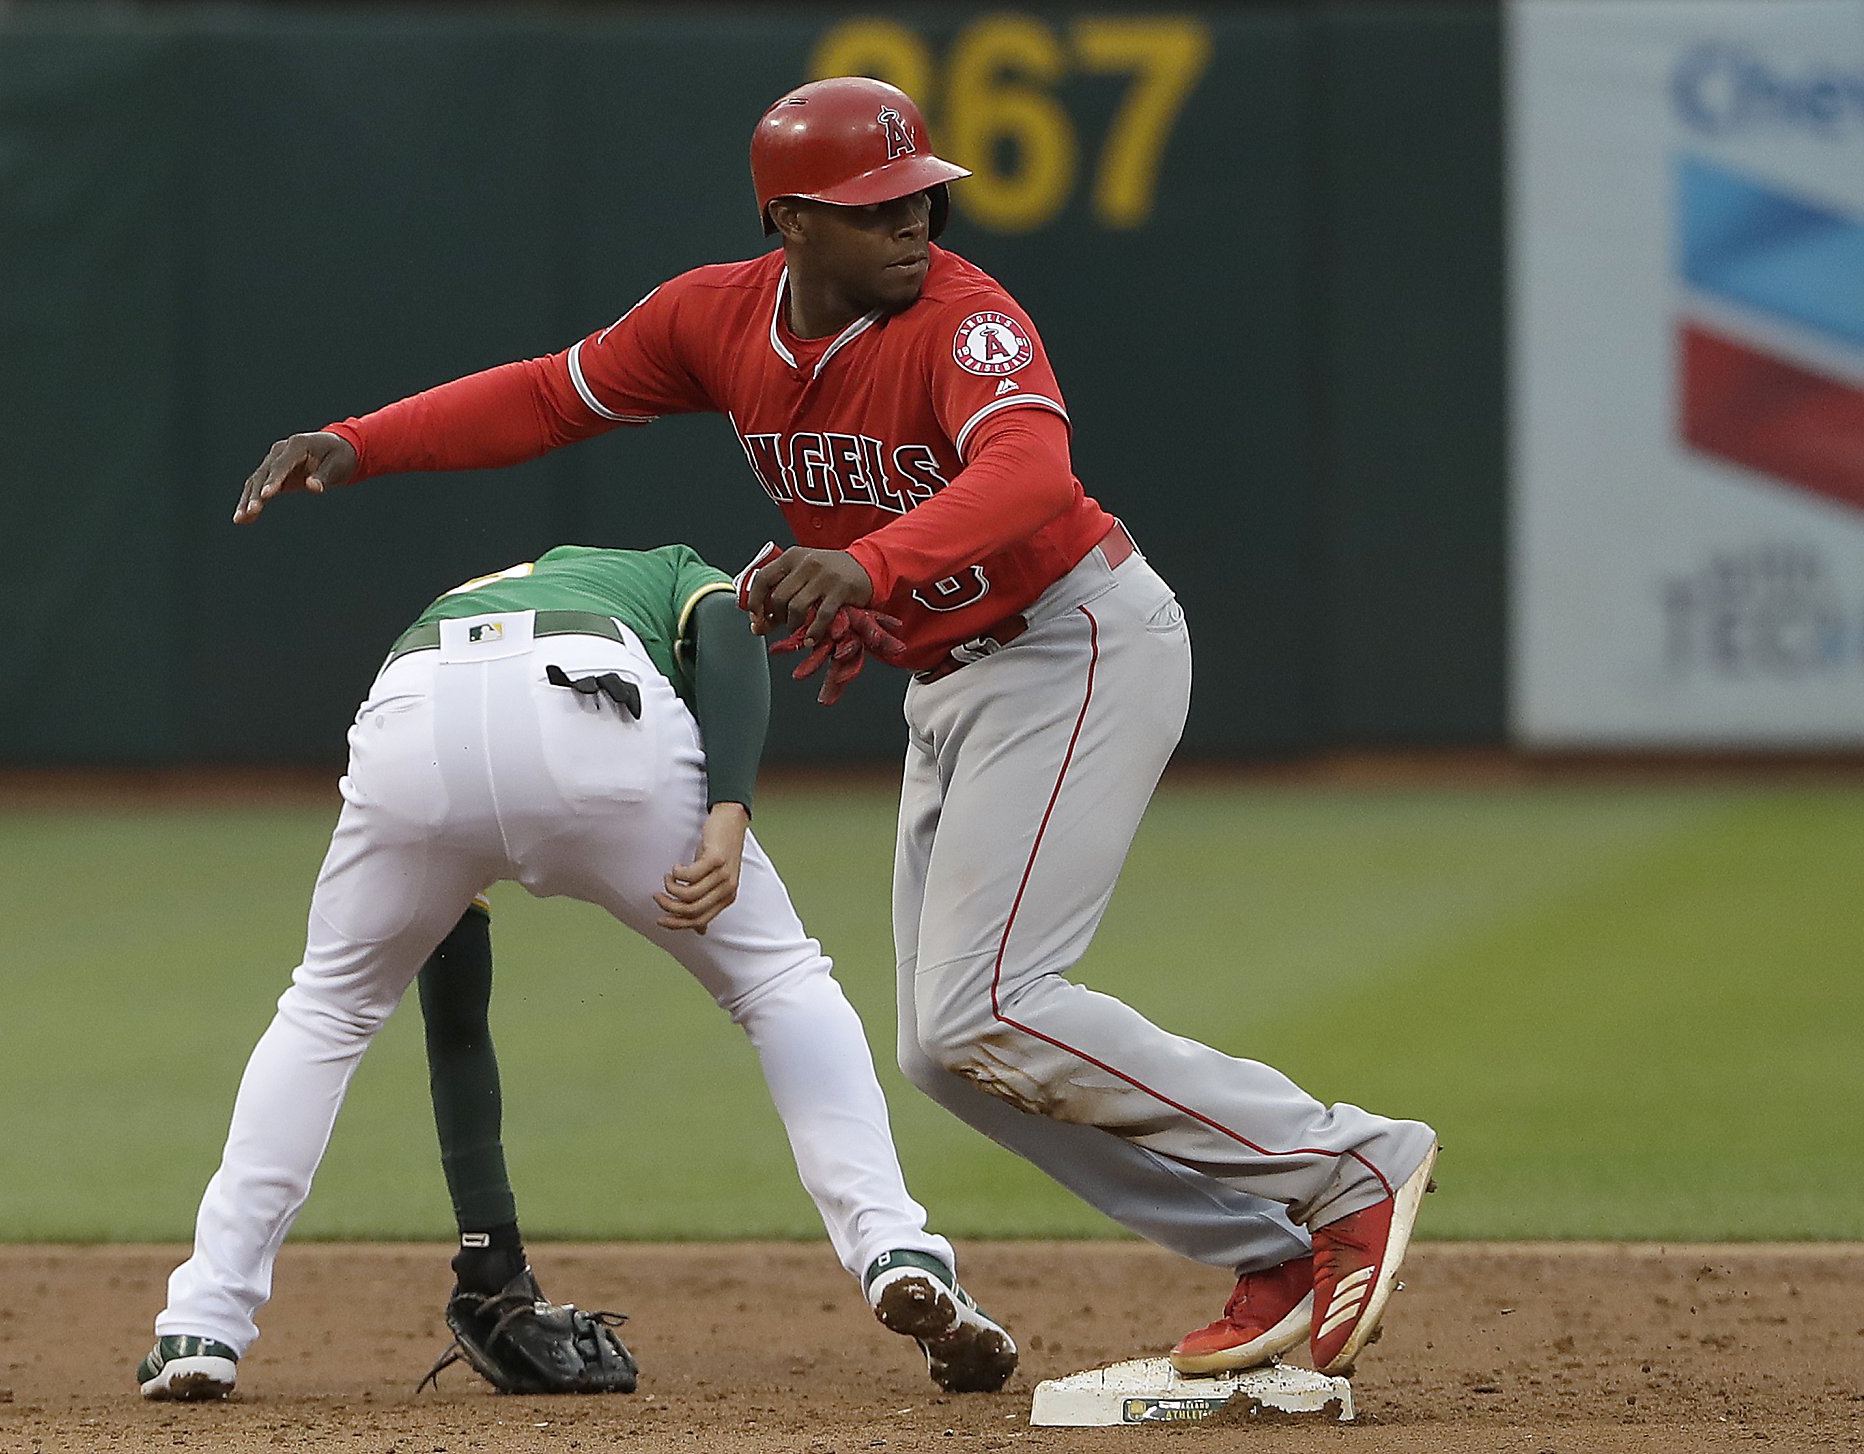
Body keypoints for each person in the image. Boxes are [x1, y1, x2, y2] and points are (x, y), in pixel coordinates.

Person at [230, 76, 1437, 1379]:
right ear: (792, 219)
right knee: (948, 1047)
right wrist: (358, 442)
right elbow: (545, 395)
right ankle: (1263, 1245)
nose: (915, 224)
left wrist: (873, 567)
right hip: (959, 677)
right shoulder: (714, 319)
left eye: (923, 198)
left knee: (991, 1004)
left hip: (1077, 638)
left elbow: (1027, 473)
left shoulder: (968, 323)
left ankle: (1348, 1162)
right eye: (878, 208)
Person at [135, 544, 1017, 1401]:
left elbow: (457, 1016)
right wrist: (728, 808)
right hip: (590, 699)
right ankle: (893, 1247)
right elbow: (726, 624)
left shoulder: (465, 595)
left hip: (415, 708)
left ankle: (202, 1325)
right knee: (779, 982)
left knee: (326, 1012)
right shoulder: (667, 568)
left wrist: (489, 1242)